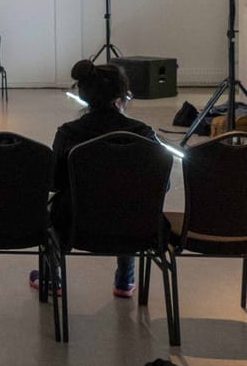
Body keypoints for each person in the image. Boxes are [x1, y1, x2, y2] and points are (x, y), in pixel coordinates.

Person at [33, 59, 159, 298]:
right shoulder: (143, 133)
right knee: (128, 196)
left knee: (50, 210)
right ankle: (125, 280)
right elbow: (160, 185)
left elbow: (54, 183)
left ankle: (51, 278)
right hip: (136, 226)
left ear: (84, 96)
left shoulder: (68, 133)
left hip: (77, 225)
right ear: (122, 95)